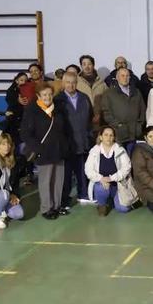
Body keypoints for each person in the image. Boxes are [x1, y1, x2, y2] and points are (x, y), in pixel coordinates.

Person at [20, 82, 70, 220]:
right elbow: (25, 133)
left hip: (59, 150)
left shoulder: (58, 108)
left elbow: (65, 129)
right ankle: (46, 209)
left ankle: (57, 206)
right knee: (46, 181)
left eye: (49, 94)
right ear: (38, 96)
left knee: (58, 180)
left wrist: (65, 146)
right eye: (44, 94)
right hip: (43, 151)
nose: (47, 97)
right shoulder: (32, 110)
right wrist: (37, 148)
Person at [55, 72, 93, 207]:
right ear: (63, 83)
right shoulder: (58, 100)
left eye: (73, 82)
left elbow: (90, 118)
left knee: (82, 171)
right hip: (67, 144)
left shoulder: (84, 98)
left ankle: (83, 194)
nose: (71, 85)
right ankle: (64, 200)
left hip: (83, 141)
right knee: (66, 175)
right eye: (68, 82)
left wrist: (89, 136)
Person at [85, 126, 137, 216]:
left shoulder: (120, 150)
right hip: (102, 183)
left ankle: (113, 200)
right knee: (100, 188)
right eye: (105, 135)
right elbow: (88, 170)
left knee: (123, 209)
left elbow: (127, 167)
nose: (108, 138)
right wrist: (101, 179)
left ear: (114, 137)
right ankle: (102, 206)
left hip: (118, 184)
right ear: (100, 137)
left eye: (111, 135)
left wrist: (111, 178)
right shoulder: (94, 151)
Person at [100, 67, 146, 154]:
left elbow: (142, 109)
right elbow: (106, 112)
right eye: (122, 76)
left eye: (127, 76)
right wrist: (117, 125)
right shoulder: (109, 93)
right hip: (119, 134)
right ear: (117, 78)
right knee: (121, 160)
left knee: (135, 159)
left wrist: (139, 124)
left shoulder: (136, 92)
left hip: (135, 133)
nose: (125, 78)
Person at [76, 55, 107, 125]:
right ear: (81, 66)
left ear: (93, 65)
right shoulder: (76, 83)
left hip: (99, 120)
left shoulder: (102, 83)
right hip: (82, 120)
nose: (87, 67)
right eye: (84, 64)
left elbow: (107, 101)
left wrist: (100, 114)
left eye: (89, 64)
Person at [3, 71, 31, 146]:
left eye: (26, 80)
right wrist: (17, 99)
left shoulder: (28, 88)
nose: (23, 82)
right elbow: (9, 99)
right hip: (13, 116)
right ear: (16, 80)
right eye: (21, 80)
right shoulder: (12, 90)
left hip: (23, 116)